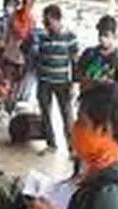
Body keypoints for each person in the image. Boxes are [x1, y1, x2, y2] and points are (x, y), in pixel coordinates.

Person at [35, 4, 80, 156]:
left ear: (57, 19)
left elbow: (75, 62)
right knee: (45, 114)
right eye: (44, 22)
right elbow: (36, 56)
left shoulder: (70, 38)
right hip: (44, 81)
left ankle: (72, 148)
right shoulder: (42, 36)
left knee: (67, 115)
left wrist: (75, 83)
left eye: (48, 22)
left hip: (62, 83)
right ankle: (51, 144)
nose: (46, 25)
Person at [75, 15, 118, 92]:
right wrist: (90, 81)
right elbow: (77, 75)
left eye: (106, 35)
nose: (102, 38)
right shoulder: (89, 53)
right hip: (88, 96)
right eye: (100, 34)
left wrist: (109, 83)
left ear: (114, 35)